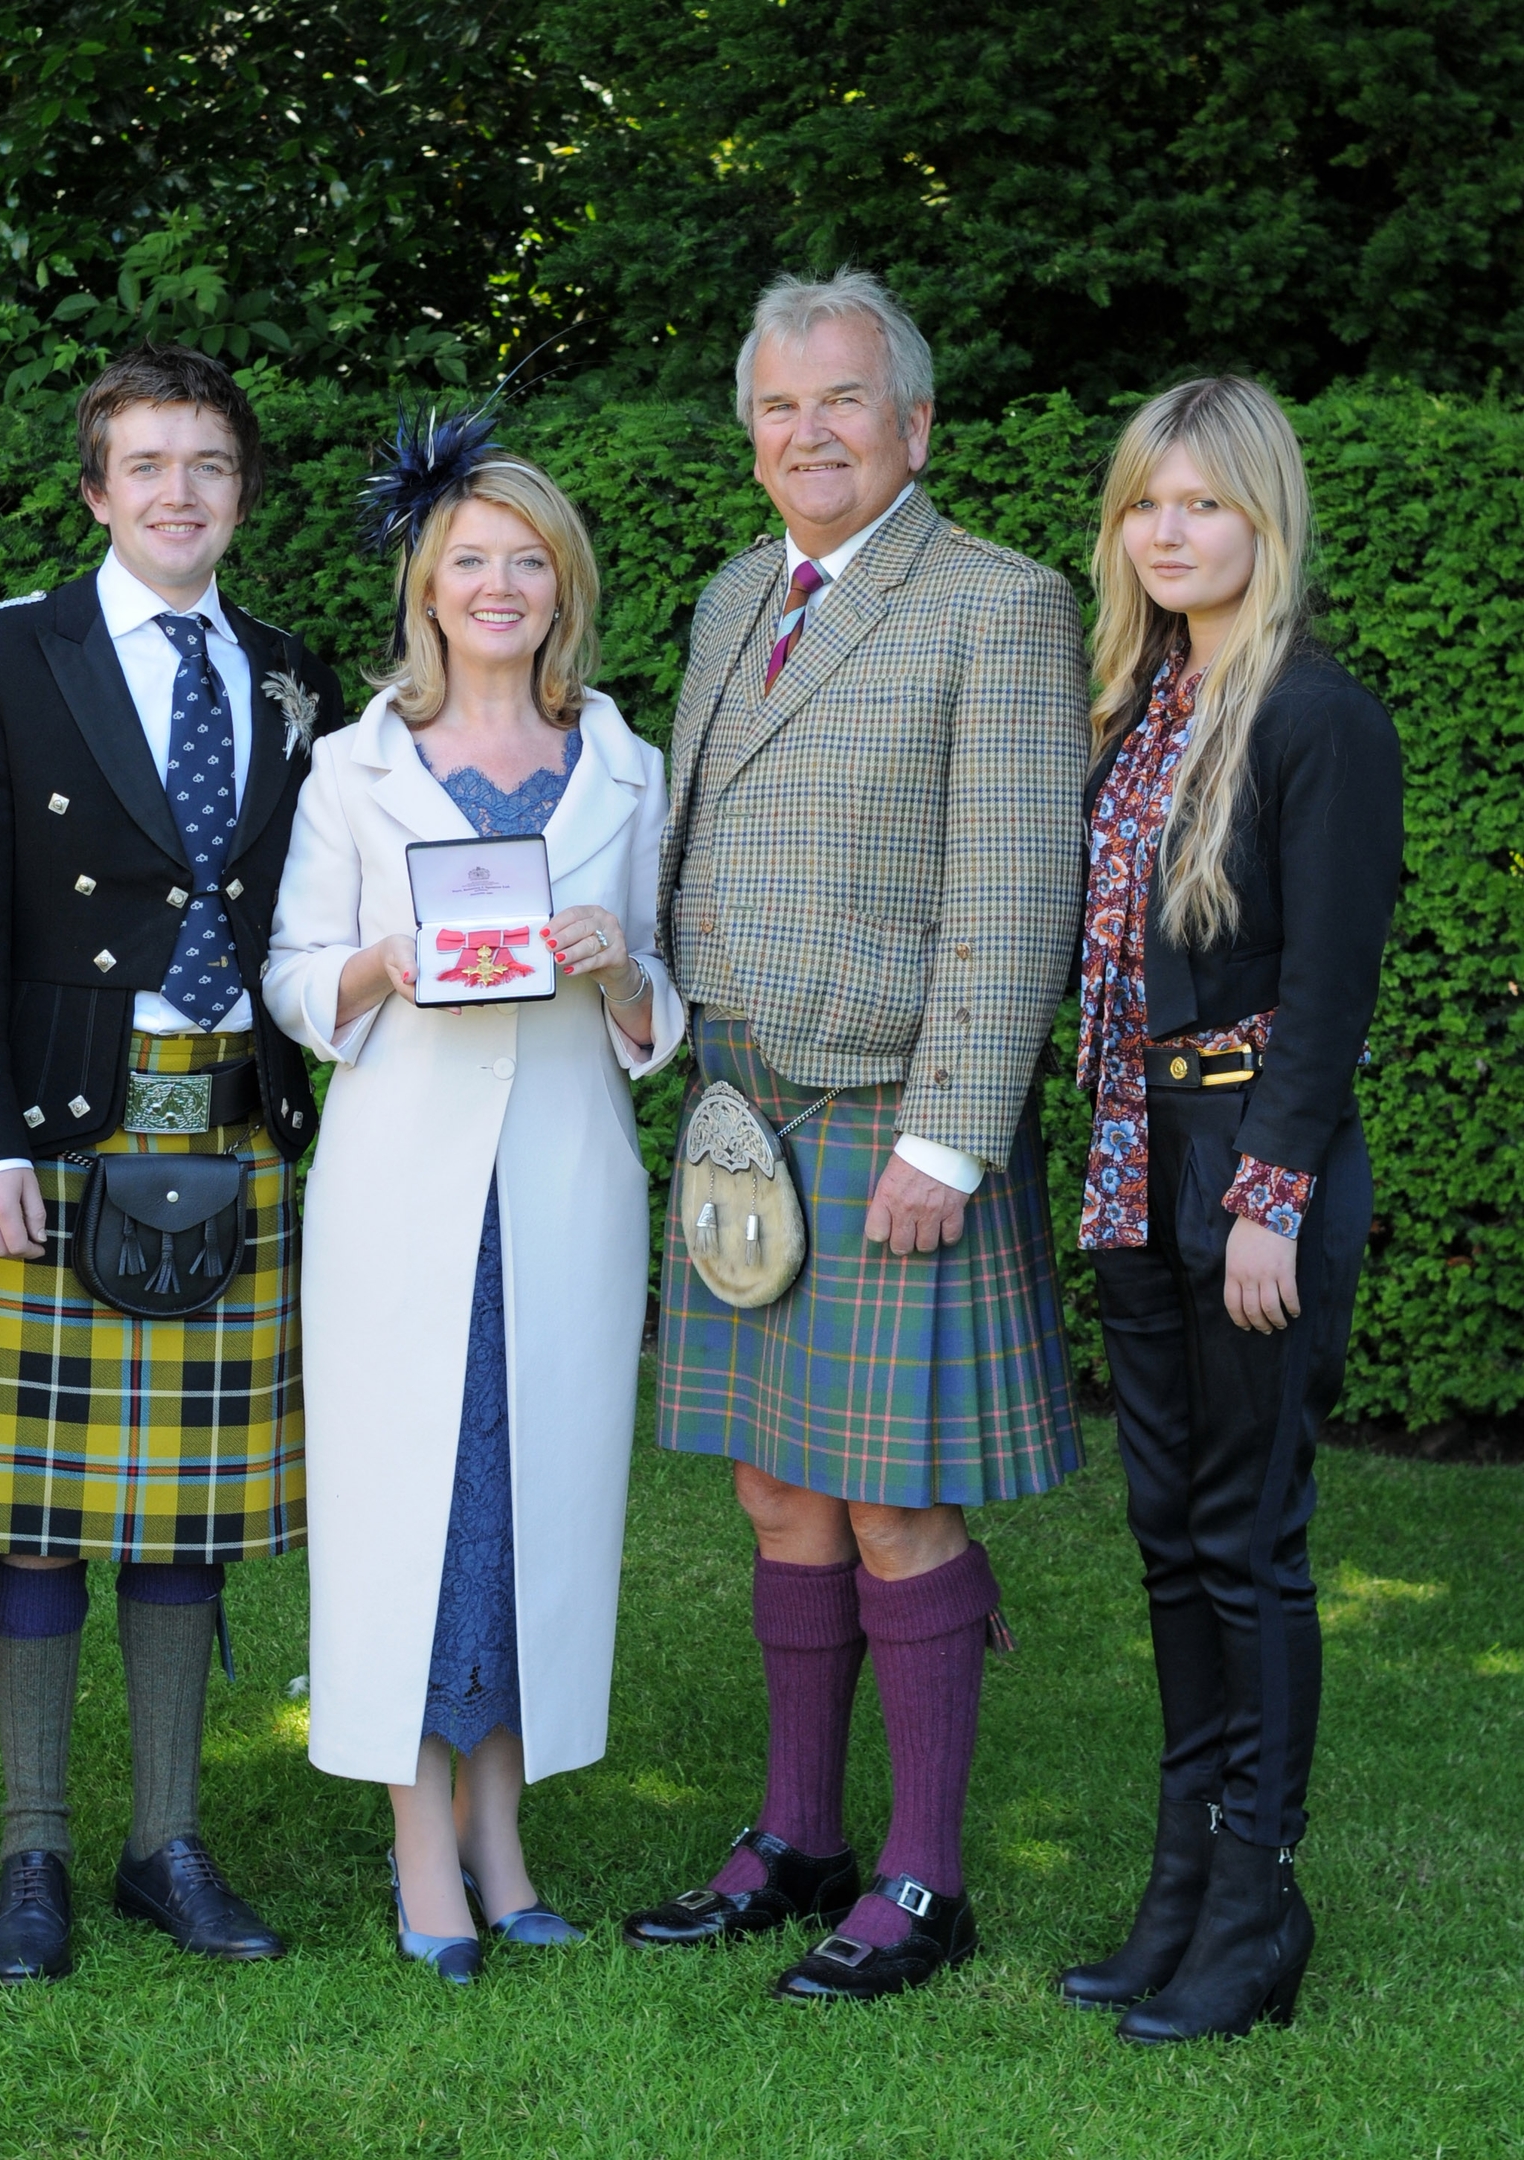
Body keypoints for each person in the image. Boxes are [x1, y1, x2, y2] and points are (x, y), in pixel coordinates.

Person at [624, 268, 1088, 2002]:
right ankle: (796, 1833)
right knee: (774, 1491)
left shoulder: (995, 604)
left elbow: (1016, 884)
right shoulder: (739, 593)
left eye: (838, 403)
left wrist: (953, 1139)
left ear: (914, 425)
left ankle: (925, 1874)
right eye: (775, 407)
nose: (804, 434)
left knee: (894, 1504)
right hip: (742, 1118)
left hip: (893, 1124)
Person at [0, 343, 344, 1982]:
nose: (180, 493)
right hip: (59, 1125)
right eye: (147, 466)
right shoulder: (3, 659)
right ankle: (29, 1856)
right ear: (96, 491)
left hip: (235, 1125)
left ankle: (165, 1843)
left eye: (211, 466)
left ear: (242, 492)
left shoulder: (291, 668)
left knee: (187, 1519)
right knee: (39, 1519)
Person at [266, 431, 683, 1983]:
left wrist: (618, 969)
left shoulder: (625, 766)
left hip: (564, 1192)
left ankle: (502, 1835)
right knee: (407, 1520)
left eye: (526, 560)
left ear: (559, 585)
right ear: (425, 589)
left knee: (531, 1516)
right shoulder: (353, 768)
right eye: (468, 561)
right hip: (398, 1199)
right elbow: (297, 981)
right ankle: (414, 1844)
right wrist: (391, 961)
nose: (497, 585)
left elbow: (659, 1006)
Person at [1056, 379, 1402, 2043]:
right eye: (1144, 505)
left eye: (1201, 504)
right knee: (1168, 1541)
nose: (1168, 532)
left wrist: (1263, 1201)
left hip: (1247, 1175)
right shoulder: (1133, 706)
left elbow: (1327, 991)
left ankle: (1257, 1906)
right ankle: (1179, 1883)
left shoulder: (1314, 716)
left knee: (1251, 1549)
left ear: (1263, 518)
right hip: (1134, 1167)